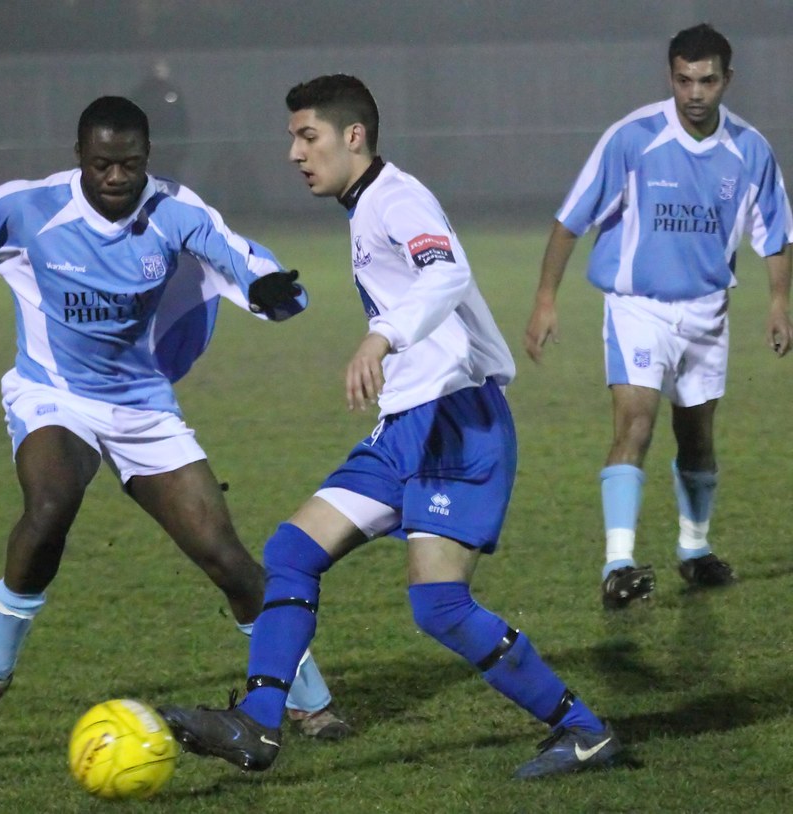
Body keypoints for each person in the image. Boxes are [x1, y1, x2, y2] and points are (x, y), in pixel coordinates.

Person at [0, 96, 351, 746]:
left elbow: (236, 251)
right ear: (79, 157)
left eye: (129, 164)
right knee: (50, 504)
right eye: (101, 163)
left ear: (147, 159)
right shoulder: (30, 209)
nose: (115, 178)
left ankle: (307, 700)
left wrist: (267, 286)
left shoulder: (174, 209)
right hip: (52, 394)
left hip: (140, 405)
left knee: (229, 561)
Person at [159, 74, 621, 779]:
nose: (294, 153)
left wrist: (382, 338)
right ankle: (258, 724)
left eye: (307, 136)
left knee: (438, 606)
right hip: (408, 422)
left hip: (456, 422)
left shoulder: (397, 199)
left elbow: (447, 273)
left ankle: (582, 729)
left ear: (354, 137)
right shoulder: (368, 203)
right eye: (292, 137)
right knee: (290, 552)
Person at [523, 24, 793, 610]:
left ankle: (693, 551)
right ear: (670, 75)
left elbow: (774, 235)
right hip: (637, 308)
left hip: (707, 314)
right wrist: (547, 298)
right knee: (636, 426)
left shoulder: (749, 150)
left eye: (707, 80)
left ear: (727, 79)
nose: (694, 92)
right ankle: (617, 565)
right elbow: (572, 219)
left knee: (696, 438)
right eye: (683, 79)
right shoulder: (633, 138)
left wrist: (778, 302)